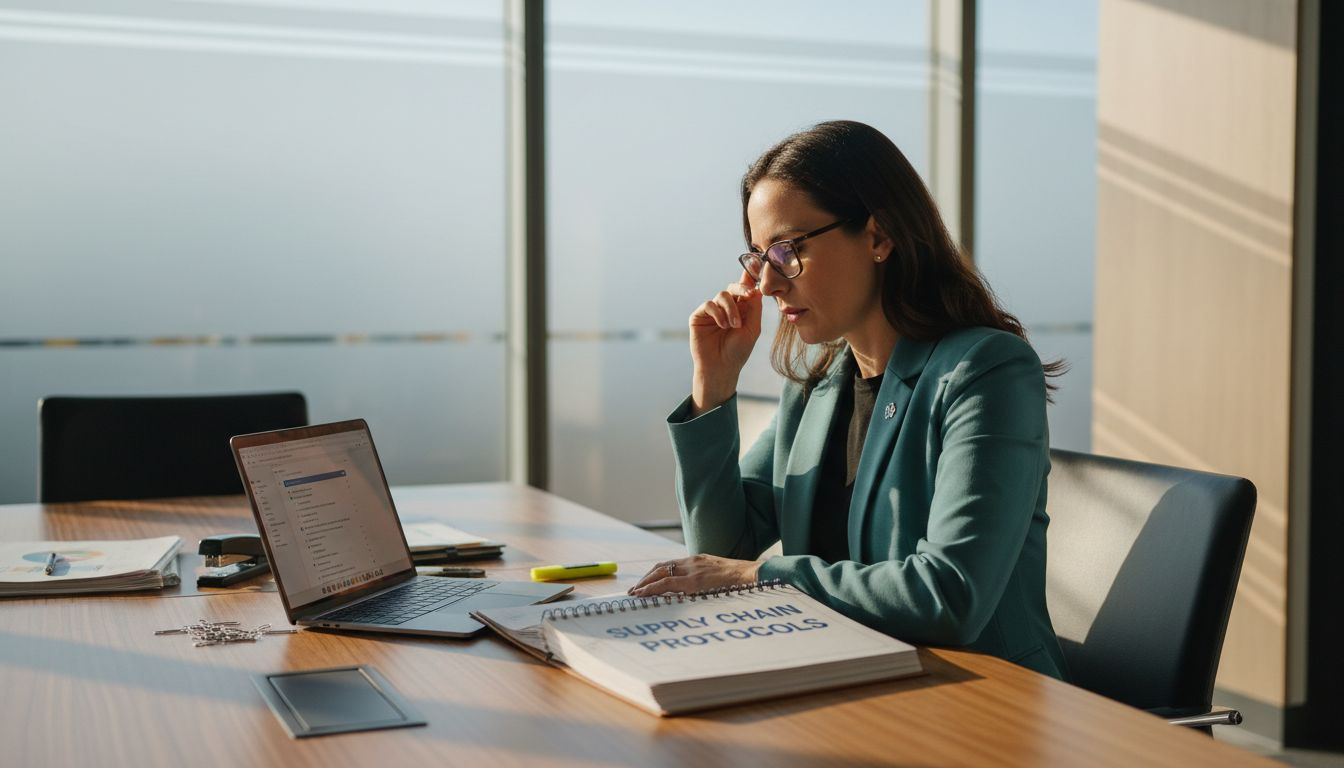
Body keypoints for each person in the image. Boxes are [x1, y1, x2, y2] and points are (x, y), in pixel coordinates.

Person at [629, 120, 1068, 679]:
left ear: (879, 236)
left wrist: (759, 578)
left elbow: (948, 596)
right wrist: (713, 389)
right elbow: (721, 546)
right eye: (759, 255)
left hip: (981, 697)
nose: (766, 283)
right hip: (848, 678)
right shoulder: (818, 385)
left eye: (788, 251)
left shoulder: (985, 370)